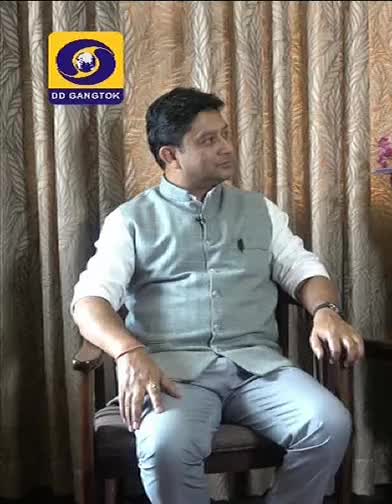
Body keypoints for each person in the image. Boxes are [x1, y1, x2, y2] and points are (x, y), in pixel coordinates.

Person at [71, 86, 364, 504]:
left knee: (329, 423)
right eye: (209, 140)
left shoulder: (260, 211)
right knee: (166, 446)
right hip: (173, 377)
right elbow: (90, 301)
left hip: (257, 369)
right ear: (170, 155)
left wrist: (326, 312)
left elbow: (304, 270)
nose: (227, 148)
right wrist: (128, 352)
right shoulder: (130, 221)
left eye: (224, 134)